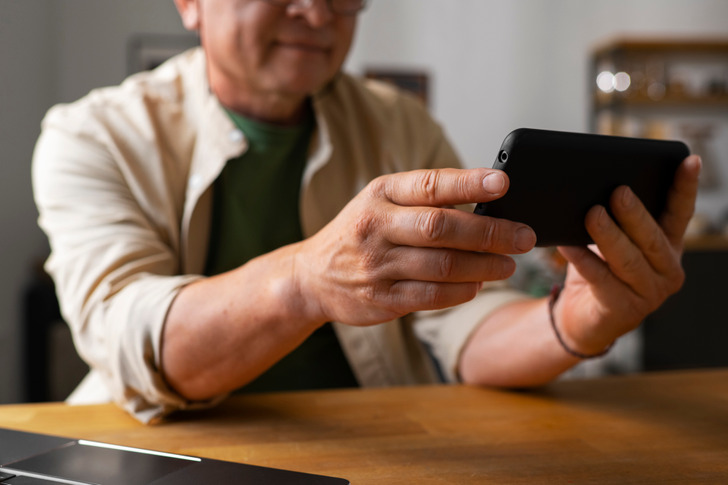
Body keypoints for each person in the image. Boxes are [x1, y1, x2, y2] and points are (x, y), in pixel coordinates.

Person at [32, 0, 700, 424]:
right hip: (154, 450)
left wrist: (577, 321)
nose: (319, 13)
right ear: (189, 4)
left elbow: (459, 321)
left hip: (376, 442)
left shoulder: (398, 123)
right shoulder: (93, 134)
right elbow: (128, 332)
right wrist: (305, 280)